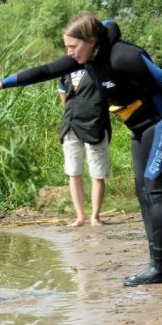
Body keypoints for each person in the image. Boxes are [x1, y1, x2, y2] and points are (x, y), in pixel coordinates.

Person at [0, 11, 162, 287]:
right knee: (143, 191)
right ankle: (155, 263)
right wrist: (1, 83)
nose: (69, 53)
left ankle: (160, 268)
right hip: (139, 128)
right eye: (66, 47)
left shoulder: (123, 56)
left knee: (155, 189)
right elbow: (45, 71)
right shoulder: (83, 58)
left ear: (91, 40)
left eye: (73, 46)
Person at [57, 67, 111, 227]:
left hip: (97, 126)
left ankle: (95, 217)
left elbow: (109, 98)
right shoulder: (65, 70)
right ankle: (80, 217)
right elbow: (64, 102)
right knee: (73, 172)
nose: (71, 51)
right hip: (71, 125)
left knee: (98, 173)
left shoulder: (100, 67)